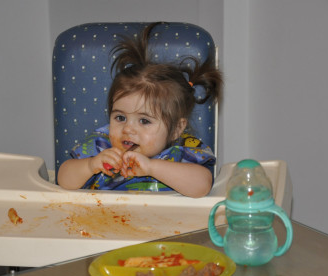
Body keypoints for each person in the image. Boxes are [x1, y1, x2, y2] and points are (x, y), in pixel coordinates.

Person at [57, 22, 223, 198]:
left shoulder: (182, 153)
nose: (128, 129)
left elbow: (203, 185)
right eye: (120, 117)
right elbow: (63, 179)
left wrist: (152, 167)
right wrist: (90, 166)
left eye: (144, 121)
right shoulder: (101, 147)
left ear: (176, 129)